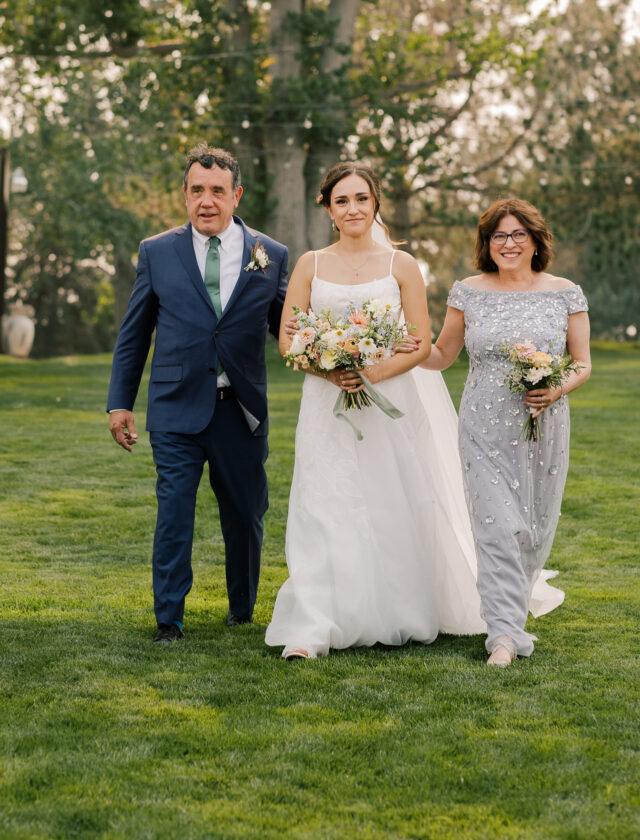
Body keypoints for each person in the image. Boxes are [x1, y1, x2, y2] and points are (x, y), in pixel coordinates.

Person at [265, 162, 485, 660]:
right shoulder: (310, 265)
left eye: (361, 199)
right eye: (341, 201)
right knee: (324, 502)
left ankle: (400, 610)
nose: (353, 209)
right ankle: (315, 624)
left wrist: (371, 376)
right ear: (327, 209)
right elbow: (288, 339)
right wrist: (330, 372)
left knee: (391, 499)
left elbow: (419, 342)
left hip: (389, 404)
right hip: (326, 403)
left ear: (375, 203)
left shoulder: (401, 266)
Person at [107, 143, 288, 643]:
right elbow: (133, 334)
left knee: (247, 514)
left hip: (242, 411)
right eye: (196, 191)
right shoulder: (156, 251)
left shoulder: (269, 255)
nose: (206, 201)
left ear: (236, 195)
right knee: (174, 514)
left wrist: (335, 358)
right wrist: (120, 402)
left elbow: (288, 329)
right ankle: (169, 618)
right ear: (184, 195)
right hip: (175, 408)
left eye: (217, 191)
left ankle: (242, 608)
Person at [422, 197, 591, 666]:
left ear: (536, 241)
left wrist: (555, 388)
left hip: (544, 425)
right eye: (499, 235)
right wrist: (410, 347)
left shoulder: (564, 292)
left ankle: (510, 622)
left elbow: (582, 363)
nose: (509, 243)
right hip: (482, 426)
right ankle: (501, 637)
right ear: (487, 243)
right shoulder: (468, 291)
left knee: (531, 531)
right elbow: (442, 355)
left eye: (519, 234)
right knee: (498, 527)